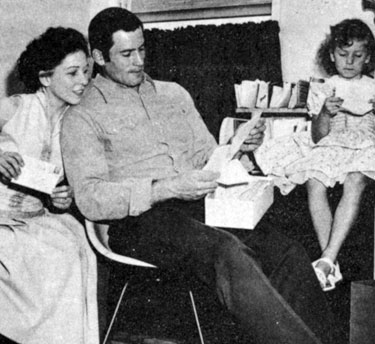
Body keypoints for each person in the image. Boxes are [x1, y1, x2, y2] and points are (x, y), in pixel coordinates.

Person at [61, 7, 336, 344]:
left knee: (286, 251)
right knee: (228, 253)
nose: (139, 61)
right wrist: (165, 188)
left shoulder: (174, 94)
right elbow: (90, 198)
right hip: (137, 221)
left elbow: (208, 156)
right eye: (127, 53)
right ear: (99, 56)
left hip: (199, 205)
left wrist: (239, 147)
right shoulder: (83, 116)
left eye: (142, 49)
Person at [255, 18, 375, 291]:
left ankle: (328, 257)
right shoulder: (324, 87)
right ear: (332, 55)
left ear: (367, 58)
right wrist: (325, 113)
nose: (349, 61)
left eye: (357, 56)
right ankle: (329, 261)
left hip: (365, 148)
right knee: (313, 181)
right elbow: (318, 137)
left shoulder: (373, 86)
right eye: (343, 55)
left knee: (355, 181)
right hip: (331, 146)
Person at [0, 27, 98, 344]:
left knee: (77, 246)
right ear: (45, 78)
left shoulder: (75, 122)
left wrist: (61, 198)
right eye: (71, 73)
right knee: (54, 258)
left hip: (35, 220)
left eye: (86, 71)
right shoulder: (16, 107)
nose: (83, 80)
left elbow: (60, 189)